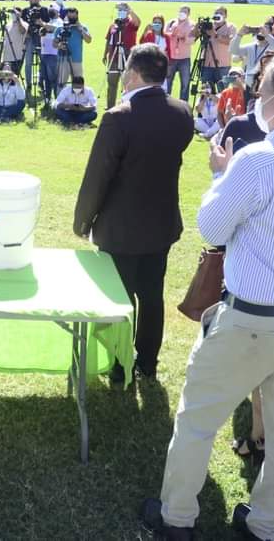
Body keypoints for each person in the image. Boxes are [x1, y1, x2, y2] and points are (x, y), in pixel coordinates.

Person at [140, 55, 274, 541]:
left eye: (261, 92)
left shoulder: (258, 160)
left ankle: (176, 518)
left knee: (197, 420)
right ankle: (265, 526)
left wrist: (222, 174)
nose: (256, 100)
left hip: (253, 318)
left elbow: (212, 228)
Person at [74, 43, 193, 381]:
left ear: (135, 74)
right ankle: (147, 363)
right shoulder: (182, 112)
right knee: (151, 295)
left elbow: (98, 174)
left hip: (121, 226)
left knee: (121, 297)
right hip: (161, 221)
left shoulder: (119, 117)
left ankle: (117, 364)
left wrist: (83, 220)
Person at [102, 2, 141, 107]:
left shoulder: (131, 23)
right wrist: (105, 54)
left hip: (127, 56)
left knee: (128, 83)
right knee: (112, 83)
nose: (120, 12)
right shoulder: (113, 25)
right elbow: (108, 40)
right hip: (113, 56)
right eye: (119, 10)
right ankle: (110, 106)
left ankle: (127, 105)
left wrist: (130, 10)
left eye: (122, 10)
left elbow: (138, 22)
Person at [230, 21, 274, 97]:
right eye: (259, 30)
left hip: (264, 86)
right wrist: (239, 35)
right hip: (249, 85)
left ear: (270, 33)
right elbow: (233, 50)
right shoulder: (251, 46)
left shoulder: (272, 46)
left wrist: (267, 36)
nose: (261, 31)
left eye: (264, 29)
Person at [199, 6, 237, 93]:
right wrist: (199, 26)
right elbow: (193, 37)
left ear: (226, 15)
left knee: (223, 92)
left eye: (221, 13)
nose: (218, 15)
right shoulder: (208, 25)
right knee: (206, 92)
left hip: (223, 65)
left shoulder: (231, 27)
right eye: (216, 13)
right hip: (207, 64)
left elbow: (231, 41)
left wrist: (215, 35)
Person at [18, 0, 49, 94]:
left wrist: (40, 23)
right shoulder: (25, 11)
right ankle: (29, 84)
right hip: (29, 38)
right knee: (28, 62)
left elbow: (47, 24)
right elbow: (22, 24)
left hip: (41, 38)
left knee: (43, 61)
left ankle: (41, 82)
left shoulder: (44, 10)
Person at [165, 6, 198, 102]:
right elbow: (165, 35)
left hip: (184, 58)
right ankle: (166, 103)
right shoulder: (171, 23)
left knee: (185, 83)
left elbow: (192, 40)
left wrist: (183, 37)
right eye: (181, 11)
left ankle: (183, 104)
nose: (182, 13)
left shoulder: (192, 25)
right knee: (168, 82)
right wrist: (173, 34)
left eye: (185, 12)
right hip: (171, 57)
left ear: (188, 14)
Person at [55, 7, 92, 91]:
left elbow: (89, 40)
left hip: (77, 60)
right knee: (61, 83)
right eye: (70, 17)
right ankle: (59, 101)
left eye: (74, 17)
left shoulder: (82, 27)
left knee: (78, 83)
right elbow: (54, 43)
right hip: (63, 59)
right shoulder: (60, 28)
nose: (72, 19)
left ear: (77, 16)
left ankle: (78, 102)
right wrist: (59, 45)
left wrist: (81, 29)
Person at [39, 8, 63, 100]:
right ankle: (47, 98)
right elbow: (41, 32)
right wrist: (42, 28)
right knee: (46, 78)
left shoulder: (59, 21)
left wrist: (42, 24)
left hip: (53, 53)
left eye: (53, 10)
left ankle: (57, 98)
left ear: (58, 12)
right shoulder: (48, 21)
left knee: (53, 77)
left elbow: (55, 29)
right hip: (44, 52)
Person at [1, 7, 26, 74]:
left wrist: (18, 19)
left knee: (14, 76)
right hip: (7, 55)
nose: (13, 15)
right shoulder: (8, 25)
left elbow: (22, 31)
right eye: (12, 13)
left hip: (17, 55)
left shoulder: (24, 24)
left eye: (14, 13)